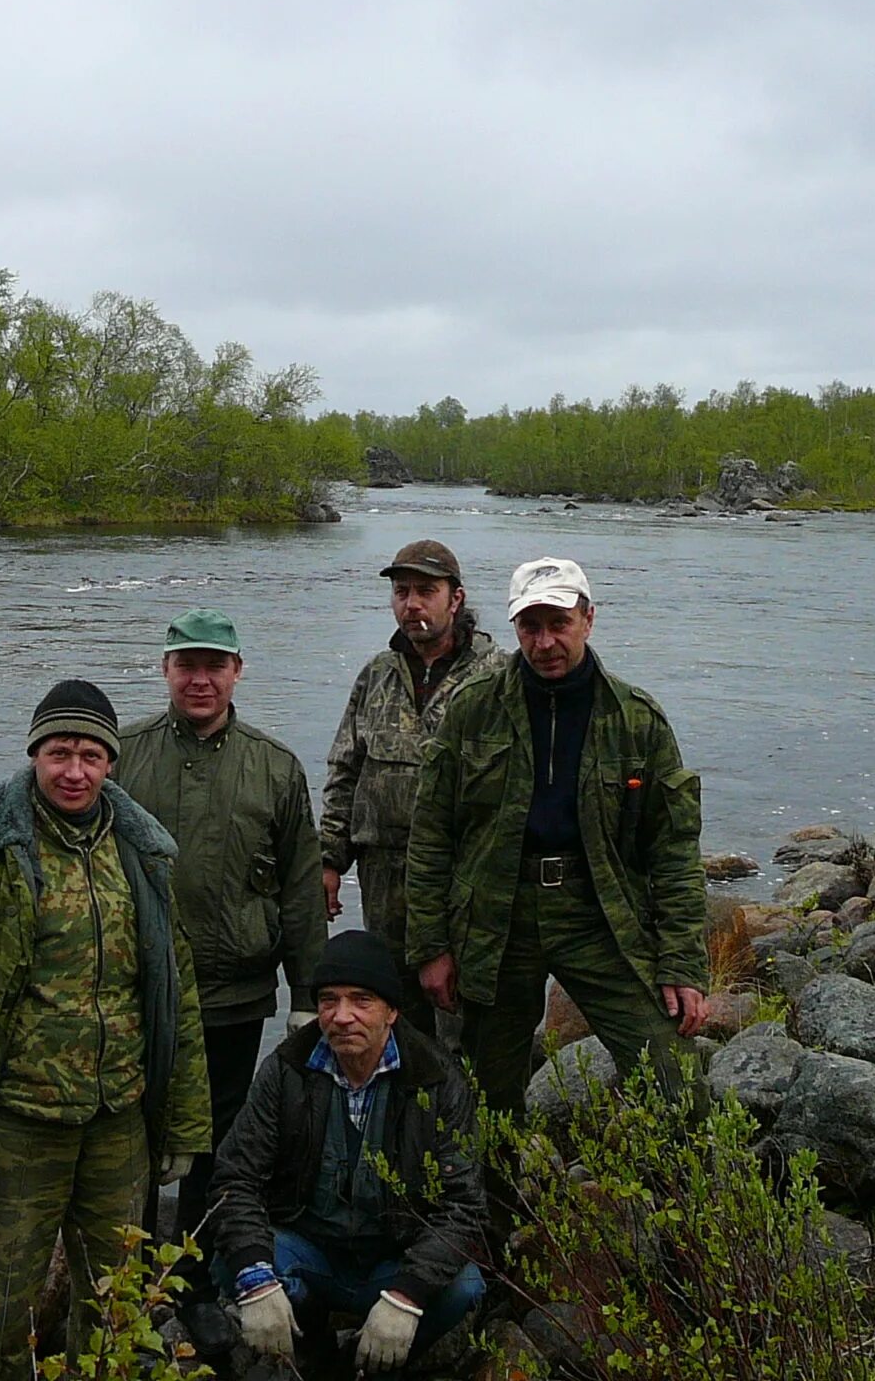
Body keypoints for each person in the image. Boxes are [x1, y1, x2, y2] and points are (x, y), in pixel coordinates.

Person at [0, 679, 213, 1379]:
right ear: (35, 754)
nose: (75, 771)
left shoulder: (141, 854)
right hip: (17, 1131)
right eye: (60, 752)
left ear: (111, 763)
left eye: (92, 755)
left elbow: (174, 996)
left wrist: (185, 1124)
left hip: (118, 1126)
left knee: (116, 1309)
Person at [405, 557, 709, 1124]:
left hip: (599, 914)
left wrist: (683, 965)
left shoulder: (637, 720)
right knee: (484, 1096)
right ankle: (494, 1207)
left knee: (676, 1078)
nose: (544, 643)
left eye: (558, 624)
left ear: (588, 620)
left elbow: (673, 852)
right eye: (530, 627)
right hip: (496, 917)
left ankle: (681, 1199)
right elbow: (430, 837)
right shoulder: (472, 710)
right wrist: (431, 947)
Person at [115, 608, 328, 1275]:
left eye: (215, 665)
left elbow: (299, 889)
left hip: (235, 995)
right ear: (166, 670)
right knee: (137, 1132)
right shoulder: (121, 755)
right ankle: (129, 1278)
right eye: (188, 665)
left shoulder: (275, 767)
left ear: (237, 671)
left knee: (218, 1138)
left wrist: (308, 994)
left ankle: (199, 1276)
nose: (200, 679)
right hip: (138, 991)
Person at [209, 930, 486, 1378]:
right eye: (328, 1000)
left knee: (463, 1287)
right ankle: (311, 1344)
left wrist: (407, 1296)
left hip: (391, 1257)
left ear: (392, 1011)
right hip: (308, 1250)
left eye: (361, 1001)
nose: (342, 1017)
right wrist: (256, 1282)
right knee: (233, 1264)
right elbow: (233, 1178)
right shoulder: (285, 1070)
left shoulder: (438, 1082)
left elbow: (465, 1206)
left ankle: (371, 1363)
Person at [319, 539, 501, 1037]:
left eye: (426, 591)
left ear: (456, 599)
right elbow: (344, 771)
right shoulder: (376, 675)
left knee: (461, 1017)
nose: (412, 604)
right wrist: (331, 860)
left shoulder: (498, 677)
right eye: (402, 592)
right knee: (395, 1017)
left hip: (462, 883)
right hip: (383, 880)